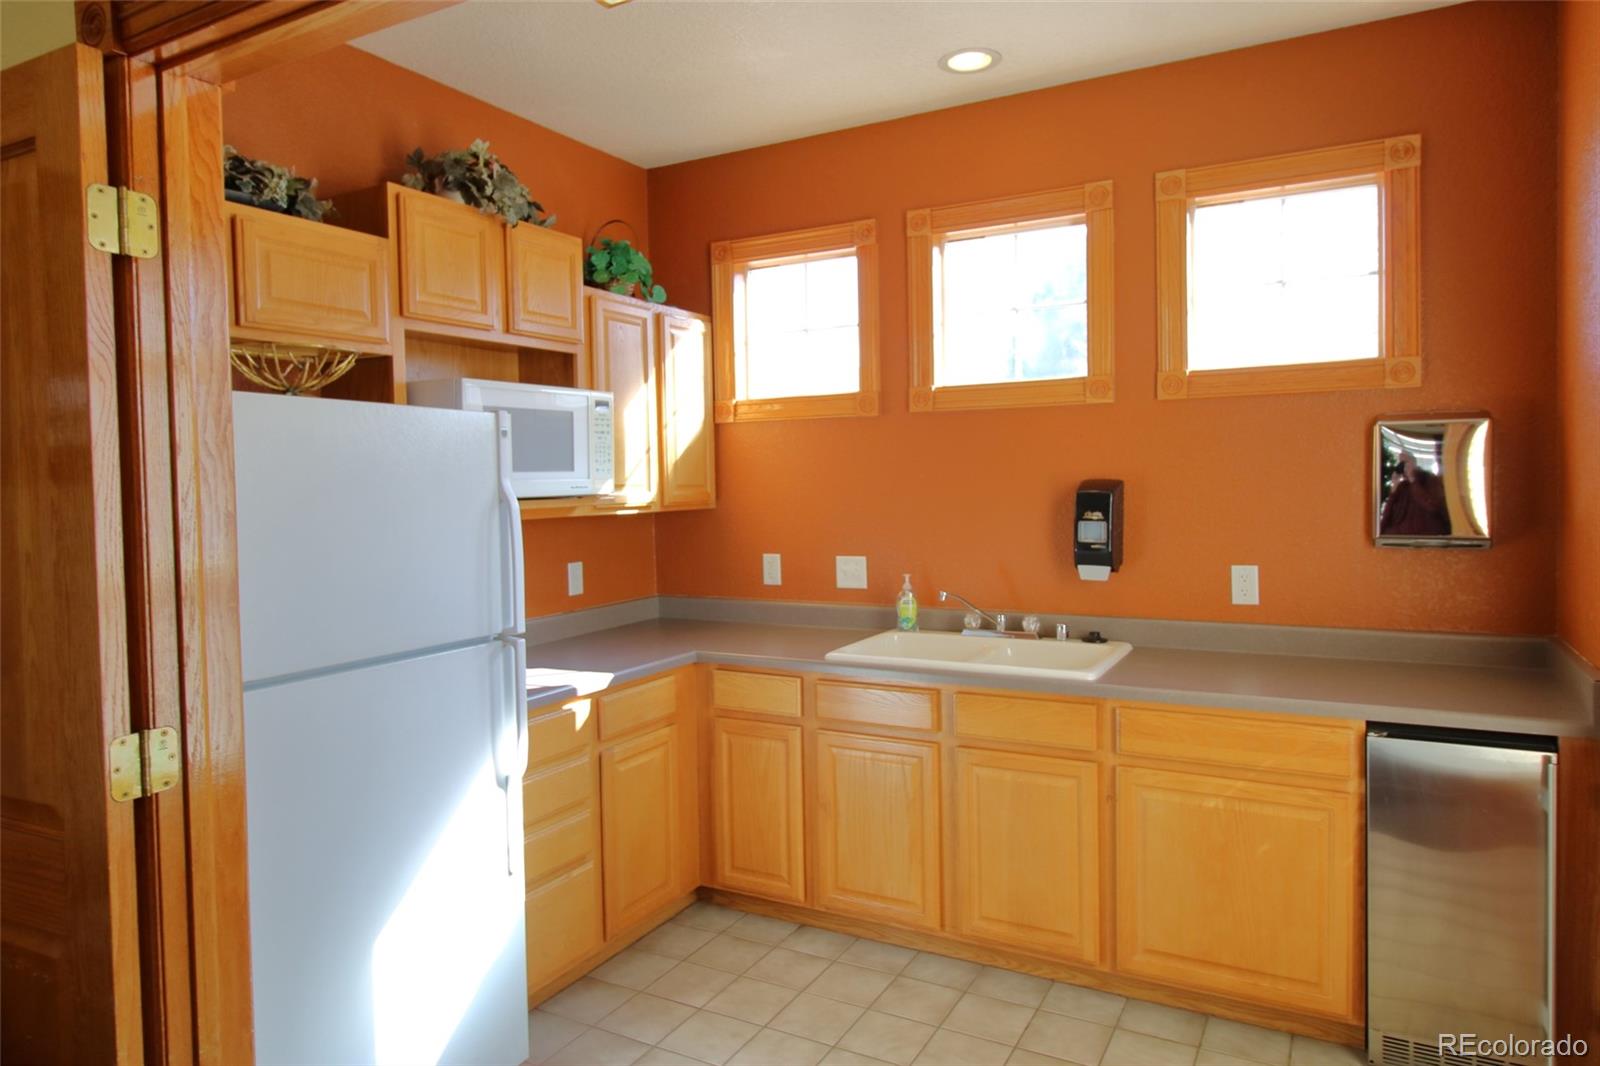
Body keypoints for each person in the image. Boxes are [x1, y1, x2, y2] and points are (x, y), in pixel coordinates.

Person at [1379, 450, 1451, 535]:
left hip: (1426, 535)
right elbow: (1387, 517)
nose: (1403, 467)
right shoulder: (1402, 487)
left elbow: (1432, 505)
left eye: (1406, 463)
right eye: (1401, 464)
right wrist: (1394, 490)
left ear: (1414, 464)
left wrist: (1413, 478)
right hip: (1398, 537)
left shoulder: (1429, 479)